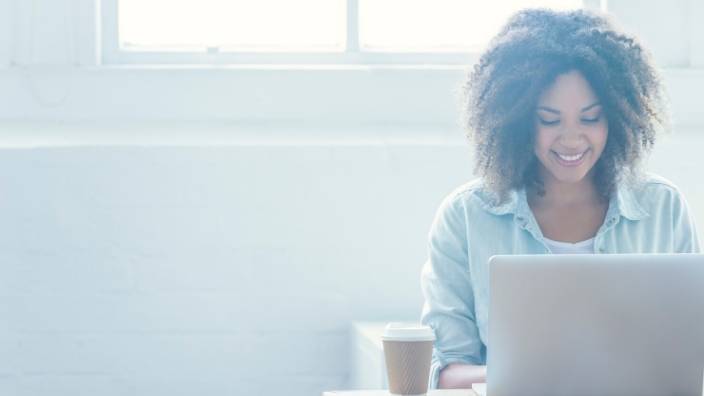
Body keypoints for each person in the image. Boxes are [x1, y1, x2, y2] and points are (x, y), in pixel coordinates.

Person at [419, 7, 701, 390]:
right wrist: (533, 377)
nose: (571, 139)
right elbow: (446, 369)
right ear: (517, 119)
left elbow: (687, 354)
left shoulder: (663, 209)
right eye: (549, 120)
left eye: (590, 119)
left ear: (617, 117)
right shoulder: (466, 216)